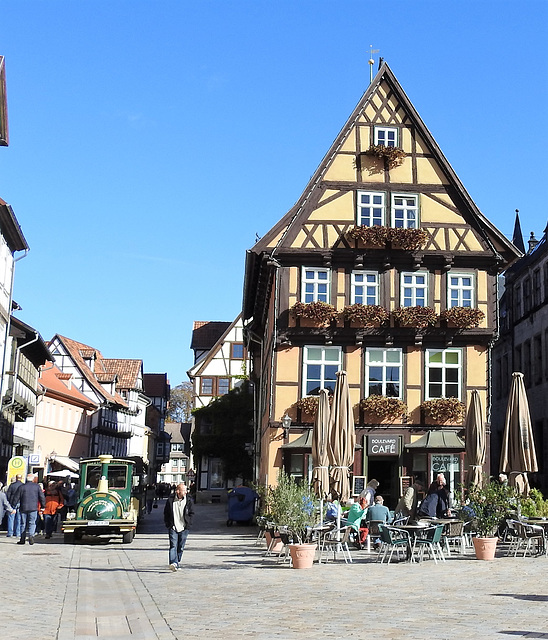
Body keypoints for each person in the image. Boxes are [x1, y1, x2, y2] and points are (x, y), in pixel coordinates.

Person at [164, 483, 195, 572]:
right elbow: (166, 513)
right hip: (173, 526)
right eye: (184, 490)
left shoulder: (188, 500)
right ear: (178, 491)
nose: (186, 492)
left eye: (186, 490)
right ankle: (173, 563)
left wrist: (189, 524)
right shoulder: (170, 500)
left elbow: (192, 513)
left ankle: (176, 562)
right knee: (173, 545)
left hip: (184, 527)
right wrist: (168, 524)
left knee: (180, 546)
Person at [14, 473, 46, 545]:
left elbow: (16, 497)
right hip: (33, 508)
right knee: (32, 522)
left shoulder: (22, 487)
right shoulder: (36, 487)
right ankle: (31, 536)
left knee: (23, 523)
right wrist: (43, 506)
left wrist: (13, 506)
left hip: (23, 507)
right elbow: (42, 497)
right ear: (33, 479)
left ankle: (22, 538)